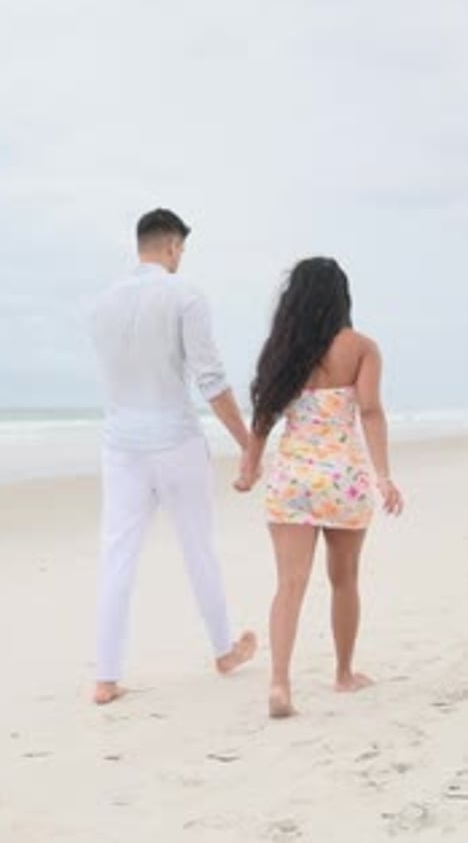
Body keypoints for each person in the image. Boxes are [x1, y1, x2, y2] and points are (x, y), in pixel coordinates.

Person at [91, 208, 256, 705]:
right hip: (176, 440)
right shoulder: (186, 295)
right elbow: (211, 380)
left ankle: (105, 678)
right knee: (198, 548)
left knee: (117, 555)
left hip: (121, 444)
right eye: (181, 249)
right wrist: (248, 443)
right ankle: (224, 651)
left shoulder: (101, 302)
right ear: (171, 246)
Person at [235, 257, 403, 718]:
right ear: (341, 297)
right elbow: (370, 412)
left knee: (289, 584)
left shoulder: (283, 350)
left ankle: (279, 683)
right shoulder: (361, 348)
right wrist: (384, 476)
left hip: (292, 479)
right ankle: (344, 674)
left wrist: (249, 468)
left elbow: (263, 418)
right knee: (344, 579)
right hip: (343, 480)